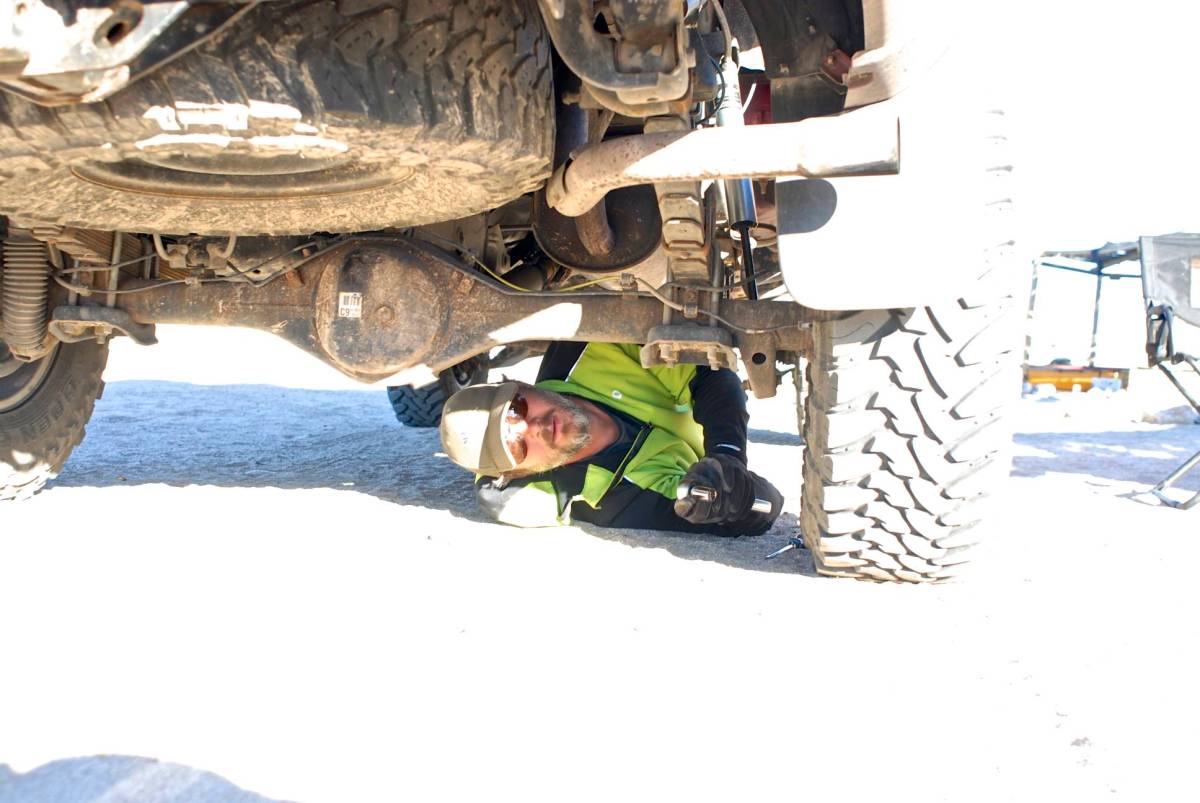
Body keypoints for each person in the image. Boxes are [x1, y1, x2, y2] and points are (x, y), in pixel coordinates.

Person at [437, 341, 783, 535]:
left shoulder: (584, 348)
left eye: (516, 409)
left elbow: (708, 373)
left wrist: (728, 453)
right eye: (517, 446)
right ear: (519, 473)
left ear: (519, 384)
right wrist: (734, 488)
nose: (534, 428)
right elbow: (752, 511)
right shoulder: (610, 500)